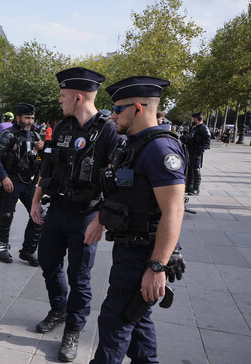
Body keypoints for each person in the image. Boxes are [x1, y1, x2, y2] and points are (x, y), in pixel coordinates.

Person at [88, 76, 186, 363]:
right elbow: (123, 193)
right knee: (137, 321)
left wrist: (157, 267)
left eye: (118, 109)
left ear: (139, 108)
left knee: (115, 322)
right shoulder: (134, 143)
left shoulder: (159, 150)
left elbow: (174, 211)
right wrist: (101, 220)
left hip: (143, 252)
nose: (113, 115)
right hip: (129, 247)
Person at [30, 67, 121, 362]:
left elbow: (116, 182)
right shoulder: (61, 128)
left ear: (78, 97)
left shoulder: (108, 130)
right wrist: (35, 201)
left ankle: (73, 328)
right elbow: (47, 168)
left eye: (63, 96)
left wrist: (100, 220)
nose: (60, 101)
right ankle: (59, 307)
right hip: (57, 211)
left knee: (79, 275)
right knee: (47, 261)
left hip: (86, 214)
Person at [0, 102, 44, 266]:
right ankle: (1, 248)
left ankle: (28, 250)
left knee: (39, 215)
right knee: (6, 215)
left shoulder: (35, 136)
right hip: (11, 181)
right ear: (18, 117)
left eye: (32, 118)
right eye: (27, 118)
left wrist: (42, 150)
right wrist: (4, 177)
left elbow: (42, 162)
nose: (30, 121)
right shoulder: (8, 134)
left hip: (28, 183)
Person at [184, 112, 210, 195]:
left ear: (196, 118)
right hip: (191, 151)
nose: (192, 120)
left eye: (193, 118)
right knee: (190, 169)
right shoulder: (194, 128)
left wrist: (199, 152)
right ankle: (189, 187)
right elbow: (190, 140)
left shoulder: (203, 128)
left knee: (196, 170)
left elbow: (207, 143)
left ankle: (196, 189)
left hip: (197, 152)